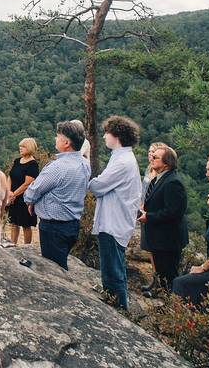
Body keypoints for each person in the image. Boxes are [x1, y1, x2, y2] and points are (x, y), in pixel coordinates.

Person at [88, 115, 143, 310]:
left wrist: (90, 180)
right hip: (114, 219)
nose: (104, 137)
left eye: (107, 133)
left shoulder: (122, 162)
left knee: (113, 268)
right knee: (111, 264)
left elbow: (99, 186)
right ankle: (112, 299)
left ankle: (119, 306)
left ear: (117, 135)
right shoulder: (122, 158)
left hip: (114, 221)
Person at [22, 121, 91, 270]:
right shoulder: (84, 164)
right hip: (72, 224)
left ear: (66, 143)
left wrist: (30, 201)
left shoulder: (57, 167)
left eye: (58, 136)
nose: (55, 139)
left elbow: (32, 191)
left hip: (54, 227)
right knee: (59, 264)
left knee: (55, 269)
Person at [137, 143, 188, 293]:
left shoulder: (173, 182)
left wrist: (149, 217)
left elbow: (173, 212)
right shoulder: (159, 178)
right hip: (160, 237)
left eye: (155, 157)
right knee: (162, 272)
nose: (151, 158)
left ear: (166, 163)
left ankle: (170, 308)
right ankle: (163, 298)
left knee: (169, 276)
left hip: (168, 239)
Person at [6, 138, 41, 245]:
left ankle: (26, 248)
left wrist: (14, 194)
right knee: (13, 223)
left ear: (30, 148)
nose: (20, 148)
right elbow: (10, 176)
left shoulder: (33, 164)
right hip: (13, 198)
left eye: (23, 146)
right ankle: (13, 245)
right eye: (20, 146)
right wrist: (9, 192)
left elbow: (27, 184)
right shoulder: (17, 161)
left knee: (26, 225)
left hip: (25, 199)